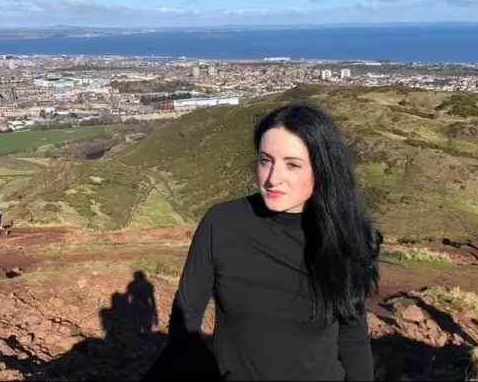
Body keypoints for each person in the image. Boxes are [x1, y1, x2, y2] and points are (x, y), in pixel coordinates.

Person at [164, 103, 382, 381]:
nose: (272, 178)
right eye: (266, 160)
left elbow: (353, 341)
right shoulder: (221, 224)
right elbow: (186, 318)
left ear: (322, 169)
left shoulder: (346, 235)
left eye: (292, 164)